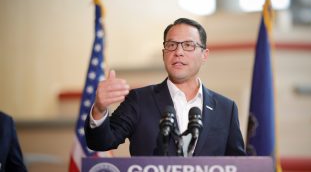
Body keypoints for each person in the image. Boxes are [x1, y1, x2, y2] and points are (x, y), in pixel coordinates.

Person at [85, 18, 247, 156]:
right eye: (171, 45)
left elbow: (238, 163)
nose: (178, 51)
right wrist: (99, 109)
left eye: (188, 45)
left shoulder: (226, 108)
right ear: (164, 54)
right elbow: (101, 142)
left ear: (204, 55)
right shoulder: (139, 100)